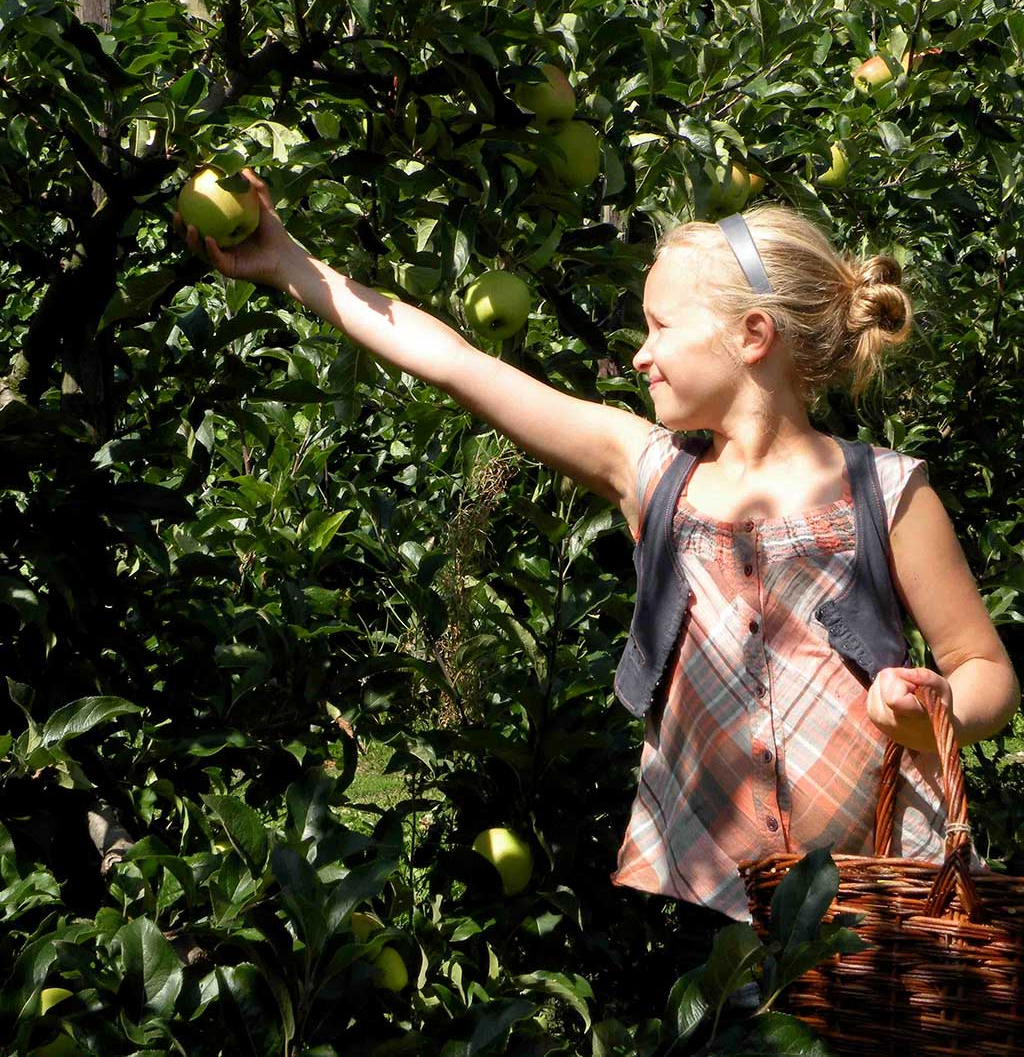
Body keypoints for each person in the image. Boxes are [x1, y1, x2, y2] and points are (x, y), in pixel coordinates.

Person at [179, 176, 1019, 928]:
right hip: (710, 898)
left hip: (884, 893)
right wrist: (292, 263)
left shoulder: (887, 493)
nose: (640, 351)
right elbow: (455, 363)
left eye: (659, 325)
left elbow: (986, 667)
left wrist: (939, 702)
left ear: (753, 334)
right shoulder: (649, 471)